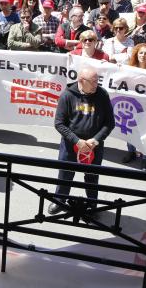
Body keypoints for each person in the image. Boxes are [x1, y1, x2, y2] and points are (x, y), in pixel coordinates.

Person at [49, 67, 115, 215]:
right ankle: (59, 200)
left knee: (92, 176)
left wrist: (96, 140)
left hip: (94, 146)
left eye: (97, 80)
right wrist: (77, 141)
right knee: (65, 174)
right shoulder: (67, 95)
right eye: (92, 81)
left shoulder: (102, 95)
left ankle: (93, 204)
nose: (95, 84)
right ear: (81, 81)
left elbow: (109, 123)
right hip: (70, 144)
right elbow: (59, 123)